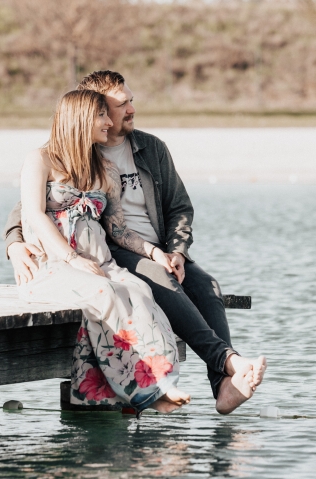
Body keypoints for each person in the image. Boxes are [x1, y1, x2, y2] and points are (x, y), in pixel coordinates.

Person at [5, 71, 266, 414]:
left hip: (152, 248)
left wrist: (175, 251)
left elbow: (179, 207)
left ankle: (223, 385)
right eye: (120, 104)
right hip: (112, 253)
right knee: (158, 282)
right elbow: (30, 209)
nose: (131, 109)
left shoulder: (150, 149)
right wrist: (14, 243)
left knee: (207, 287)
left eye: (131, 100)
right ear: (91, 110)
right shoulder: (74, 153)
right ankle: (219, 363)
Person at [18, 89, 190, 414]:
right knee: (105, 293)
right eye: (101, 115)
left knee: (140, 292)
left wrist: (155, 253)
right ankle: (145, 391)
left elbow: (118, 229)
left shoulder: (105, 169)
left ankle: (164, 380)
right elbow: (34, 215)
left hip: (99, 264)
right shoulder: (40, 160)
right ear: (81, 118)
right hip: (51, 267)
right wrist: (72, 258)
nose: (109, 123)